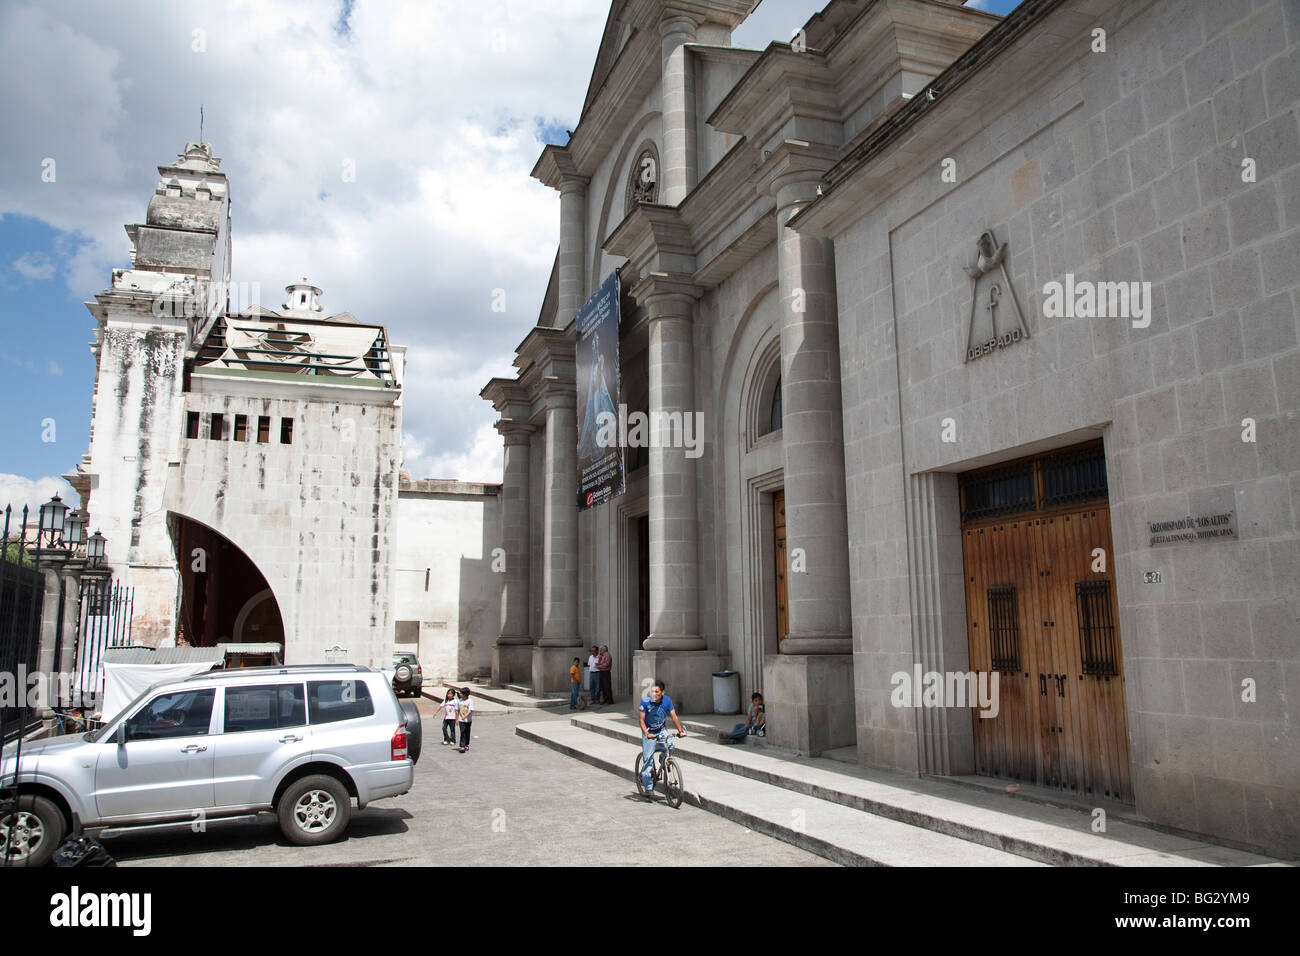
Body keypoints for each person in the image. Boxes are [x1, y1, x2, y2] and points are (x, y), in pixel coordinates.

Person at [637, 679, 685, 795]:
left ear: (662, 692)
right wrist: (647, 734)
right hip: (649, 731)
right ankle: (648, 787)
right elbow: (641, 720)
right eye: (652, 691)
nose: (654, 694)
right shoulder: (645, 702)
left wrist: (680, 731)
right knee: (648, 759)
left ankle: (664, 761)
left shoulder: (667, 701)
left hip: (661, 730)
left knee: (670, 746)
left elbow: (674, 716)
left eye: (657, 692)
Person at [456, 686, 474, 753]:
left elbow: (470, 710)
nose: (459, 694)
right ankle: (462, 746)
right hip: (461, 720)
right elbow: (457, 710)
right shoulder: (459, 701)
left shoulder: (470, 701)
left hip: (468, 720)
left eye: (461, 693)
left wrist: (465, 716)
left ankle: (466, 744)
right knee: (462, 732)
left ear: (465, 694)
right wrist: (457, 719)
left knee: (467, 732)